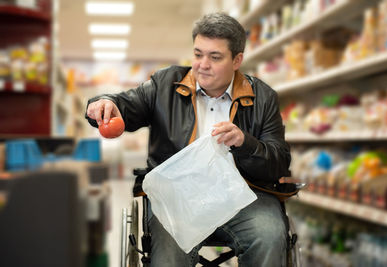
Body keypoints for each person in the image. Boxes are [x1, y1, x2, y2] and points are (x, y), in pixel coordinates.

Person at [86, 12, 291, 267]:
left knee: (270, 234)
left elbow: (279, 162)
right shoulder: (165, 84)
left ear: (237, 60)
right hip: (177, 198)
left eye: (215, 57)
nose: (202, 64)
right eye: (198, 54)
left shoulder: (263, 97)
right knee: (168, 258)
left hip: (244, 196)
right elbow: (126, 104)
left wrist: (244, 143)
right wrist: (104, 103)